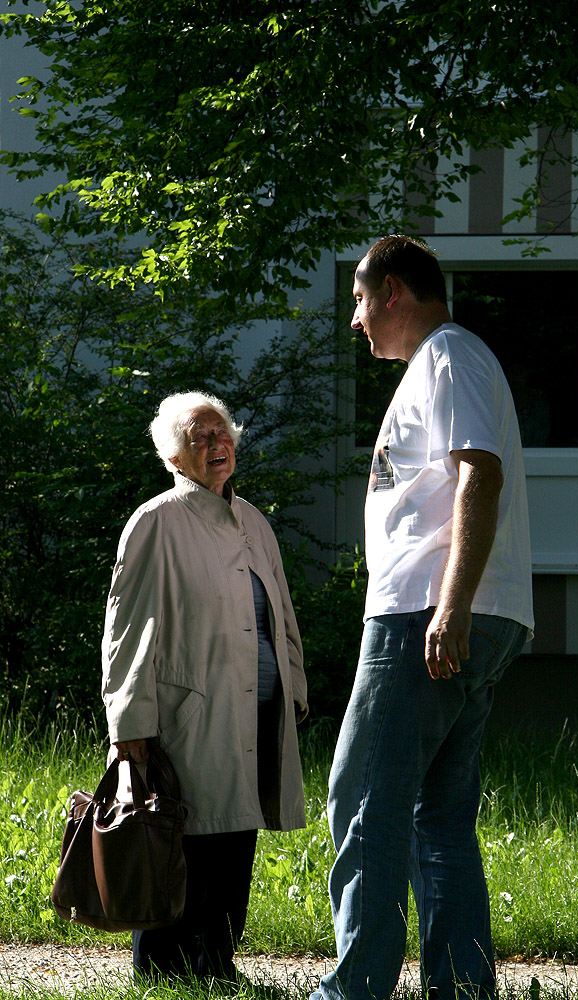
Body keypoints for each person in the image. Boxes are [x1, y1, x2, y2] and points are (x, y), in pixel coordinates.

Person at [311, 236, 534, 1000]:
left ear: (394, 292)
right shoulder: (445, 361)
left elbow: (480, 472)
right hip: (464, 613)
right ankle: (462, 990)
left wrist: (450, 605)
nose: (355, 321)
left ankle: (354, 990)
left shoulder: (448, 354)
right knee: (435, 816)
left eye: (360, 301)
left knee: (362, 795)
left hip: (424, 616)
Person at [101, 390, 308, 983]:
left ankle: (216, 968)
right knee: (176, 842)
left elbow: (281, 614)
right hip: (189, 712)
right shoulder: (157, 522)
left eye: (223, 435)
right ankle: (160, 972)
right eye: (200, 437)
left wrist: (294, 687)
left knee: (235, 841)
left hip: (256, 713)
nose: (217, 445)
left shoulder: (253, 522)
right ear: (174, 457)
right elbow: (129, 630)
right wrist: (129, 728)